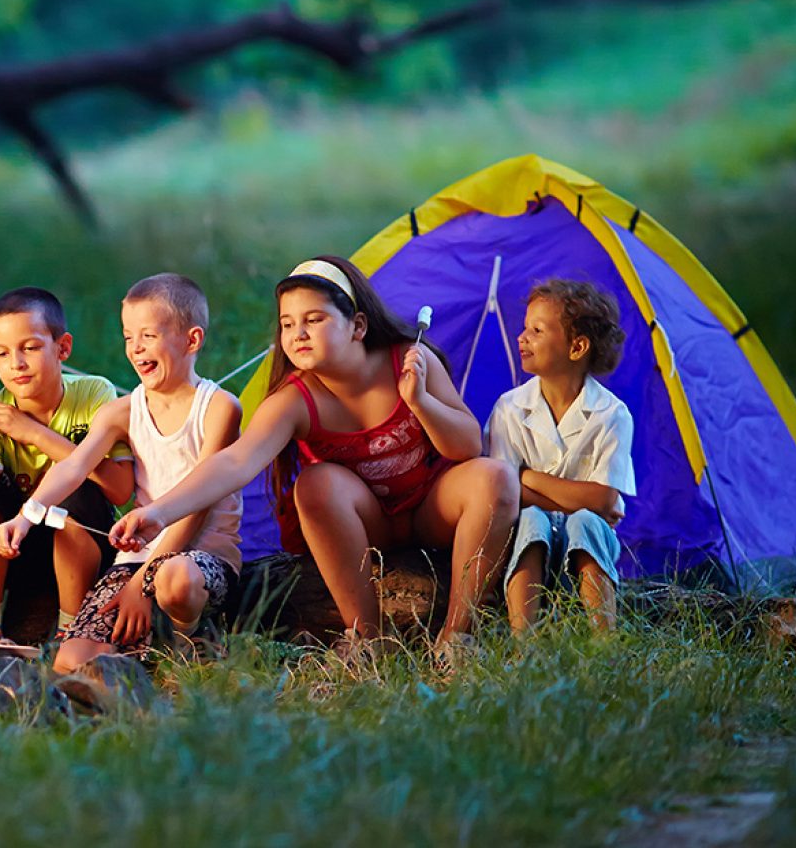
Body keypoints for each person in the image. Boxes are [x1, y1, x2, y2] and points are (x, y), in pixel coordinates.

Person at [114, 257, 517, 664]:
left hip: (433, 509)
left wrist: (420, 402)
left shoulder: (407, 360)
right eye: (287, 324)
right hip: (368, 526)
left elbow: (467, 448)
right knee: (315, 482)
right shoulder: (295, 400)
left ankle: (457, 638)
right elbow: (235, 463)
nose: (298, 333)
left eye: (314, 319)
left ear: (357, 326)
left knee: (496, 477)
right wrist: (160, 513)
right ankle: (367, 641)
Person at [0, 275, 242, 673]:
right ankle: (141, 649)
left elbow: (200, 506)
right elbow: (75, 465)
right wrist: (25, 516)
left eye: (148, 335)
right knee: (70, 663)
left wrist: (142, 583)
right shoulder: (122, 411)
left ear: (192, 340)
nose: (136, 348)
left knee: (174, 580)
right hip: (136, 560)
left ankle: (189, 638)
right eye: (128, 337)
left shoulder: (219, 409)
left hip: (201, 557)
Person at [0, 287, 136, 641]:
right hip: (15, 548)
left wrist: (33, 433)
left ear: (63, 348)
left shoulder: (94, 394)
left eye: (30, 347)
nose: (16, 364)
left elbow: (119, 489)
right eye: (2, 352)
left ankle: (69, 634)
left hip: (83, 545)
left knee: (76, 491)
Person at [487, 279, 633, 632]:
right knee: (532, 519)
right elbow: (503, 493)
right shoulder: (509, 409)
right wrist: (582, 499)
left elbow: (602, 500)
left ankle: (604, 642)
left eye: (536, 331)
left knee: (585, 523)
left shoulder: (612, 414)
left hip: (588, 543)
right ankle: (525, 644)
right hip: (527, 542)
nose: (522, 338)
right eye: (525, 329)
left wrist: (527, 477)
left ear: (577, 347)